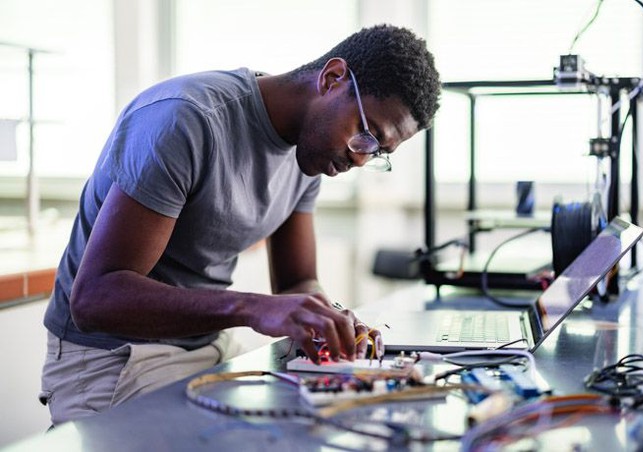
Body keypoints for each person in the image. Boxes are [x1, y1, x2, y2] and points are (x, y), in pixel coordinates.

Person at [38, 24, 441, 426]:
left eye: (377, 153)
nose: (359, 159)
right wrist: (250, 307)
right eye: (367, 136)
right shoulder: (189, 120)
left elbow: (297, 282)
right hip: (112, 359)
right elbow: (94, 299)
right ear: (332, 79)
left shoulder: (311, 154)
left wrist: (329, 317)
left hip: (205, 346)